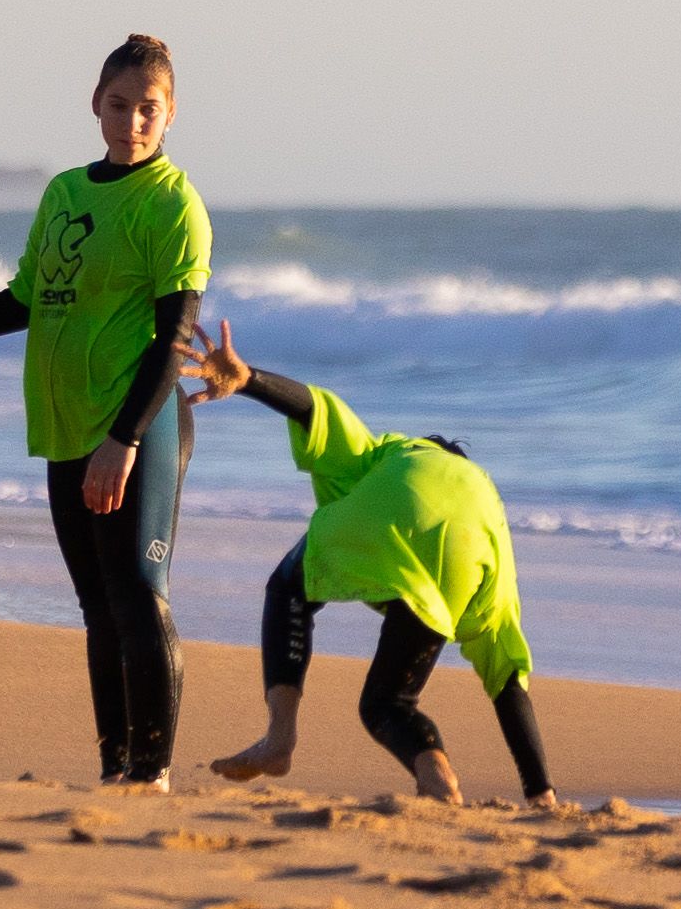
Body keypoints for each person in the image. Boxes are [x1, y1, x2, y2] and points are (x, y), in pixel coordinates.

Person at [0, 37, 210, 789]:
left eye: (148, 109)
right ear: (94, 101)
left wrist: (124, 438)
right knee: (98, 607)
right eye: (118, 103)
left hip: (137, 426)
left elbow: (173, 340)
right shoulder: (66, 192)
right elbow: (27, 300)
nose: (132, 121)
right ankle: (115, 768)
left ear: (171, 115)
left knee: (139, 593)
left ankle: (153, 773)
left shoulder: (172, 204)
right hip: (66, 425)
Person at [183, 322, 557, 807]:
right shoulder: (490, 515)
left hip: (386, 517)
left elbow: (321, 411)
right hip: (465, 556)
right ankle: (440, 776)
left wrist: (250, 379)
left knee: (288, 588)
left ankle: (279, 738)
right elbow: (508, 676)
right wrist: (540, 789)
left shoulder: (396, 451)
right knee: (388, 704)